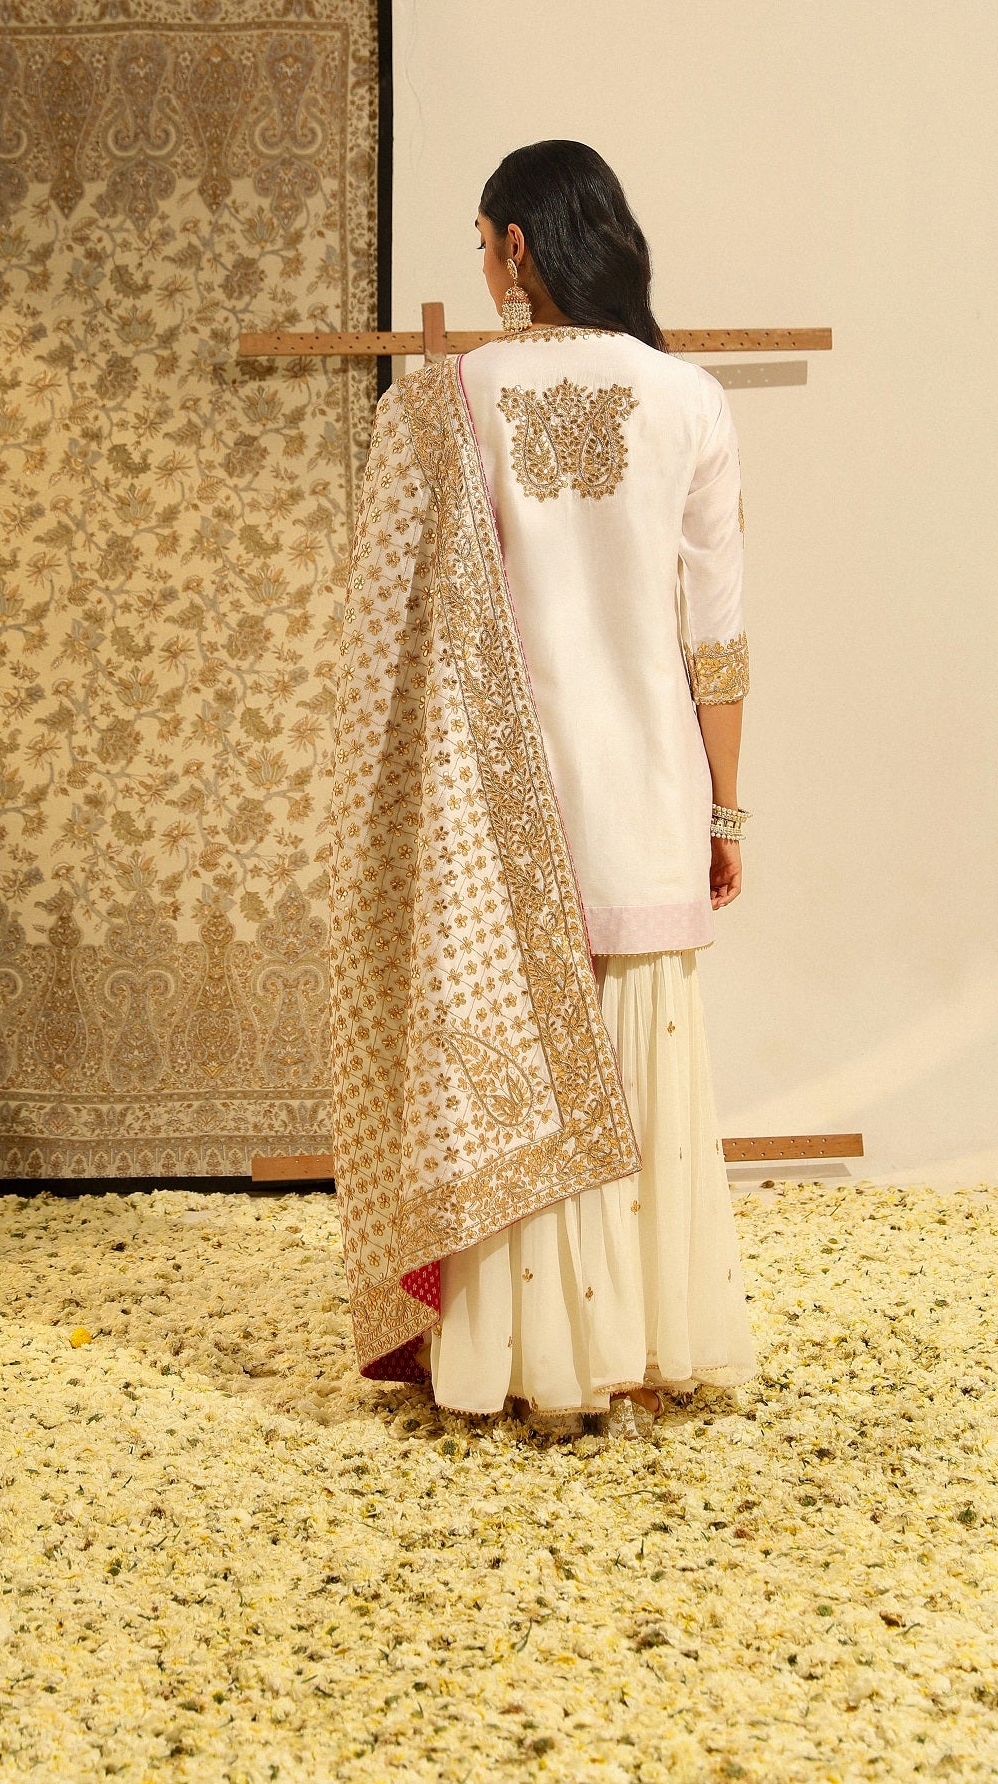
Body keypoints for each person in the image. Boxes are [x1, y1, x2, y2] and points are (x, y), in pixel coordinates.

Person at [327, 139, 757, 1429]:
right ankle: (643, 1343)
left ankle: (523, 1359)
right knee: (641, 1065)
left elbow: (382, 640)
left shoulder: (442, 404)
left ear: (516, 245)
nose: (483, 262)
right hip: (650, 796)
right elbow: (718, 637)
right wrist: (726, 809)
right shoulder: (688, 399)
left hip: (485, 818)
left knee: (504, 1068)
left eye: (481, 240)